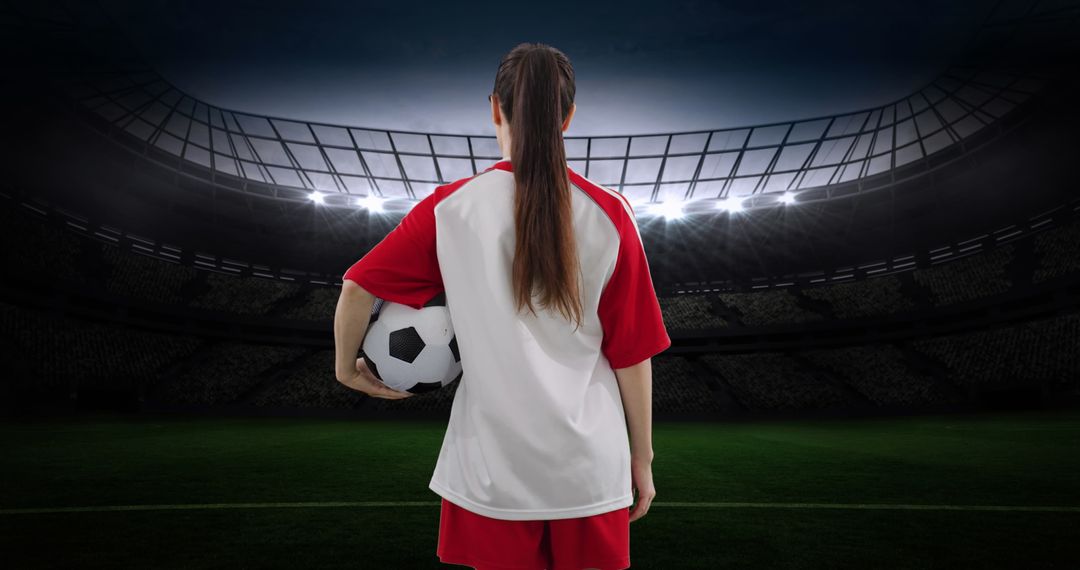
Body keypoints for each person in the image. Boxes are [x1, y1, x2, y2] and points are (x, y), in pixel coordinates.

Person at [334, 42, 670, 570]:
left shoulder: (451, 210)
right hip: (589, 472)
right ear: (568, 117)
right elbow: (631, 354)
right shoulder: (610, 215)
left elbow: (357, 286)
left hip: (487, 475)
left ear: (495, 107)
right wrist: (642, 459)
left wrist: (346, 369)